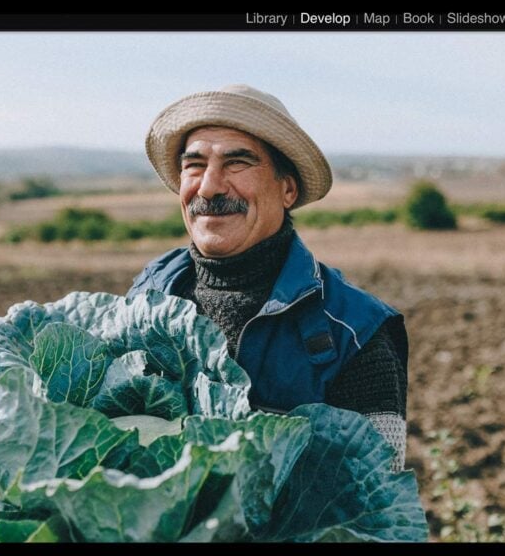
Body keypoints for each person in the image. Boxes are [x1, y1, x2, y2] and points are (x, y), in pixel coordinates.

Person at [128, 84, 409, 471]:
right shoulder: (146, 298)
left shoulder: (354, 334)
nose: (209, 187)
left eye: (237, 162)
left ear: (287, 189)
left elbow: (372, 504)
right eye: (194, 165)